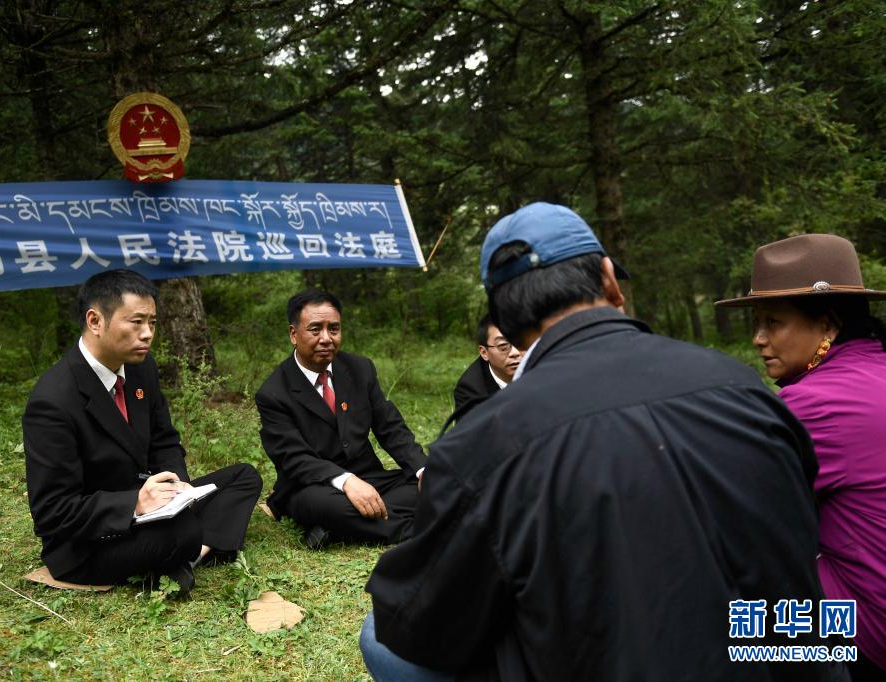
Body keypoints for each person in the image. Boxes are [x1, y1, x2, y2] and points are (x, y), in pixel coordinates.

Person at [362, 203, 845, 680]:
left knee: (377, 636)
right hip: (786, 663)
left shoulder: (483, 445)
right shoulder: (745, 388)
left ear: (503, 324)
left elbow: (418, 626)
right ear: (611, 282)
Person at [23, 269, 262, 597]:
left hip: (153, 506)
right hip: (89, 541)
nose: (148, 334)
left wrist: (178, 486)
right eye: (136, 322)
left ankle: (189, 558)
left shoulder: (140, 368)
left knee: (244, 477)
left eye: (152, 322)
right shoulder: (53, 400)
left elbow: (164, 440)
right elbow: (53, 513)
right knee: (181, 532)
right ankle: (189, 549)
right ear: (95, 321)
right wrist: (134, 503)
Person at [715, 233, 886, 680]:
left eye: (773, 322)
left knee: (717, 622)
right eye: (757, 322)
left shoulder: (815, 404)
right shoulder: (876, 370)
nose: (758, 339)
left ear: (827, 326)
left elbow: (729, 510)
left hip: (866, 630)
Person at [255, 290, 427, 549]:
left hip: (370, 478)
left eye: (333, 329)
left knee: (437, 483)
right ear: (293, 334)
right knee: (327, 507)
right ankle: (428, 527)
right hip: (314, 486)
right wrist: (346, 481)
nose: (326, 338)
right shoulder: (273, 392)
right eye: (315, 329)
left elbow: (390, 427)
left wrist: (422, 470)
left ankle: (336, 530)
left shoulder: (360, 369)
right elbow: (294, 458)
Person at [451, 315, 524, 419]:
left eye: (520, 343)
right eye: (503, 346)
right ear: (484, 352)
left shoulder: (541, 365)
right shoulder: (471, 390)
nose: (515, 352)